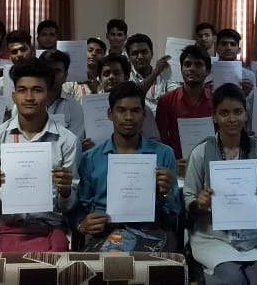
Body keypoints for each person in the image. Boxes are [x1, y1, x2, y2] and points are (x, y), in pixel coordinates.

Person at [0, 58, 80, 248]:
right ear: (14, 96)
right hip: (6, 227)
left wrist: (65, 191)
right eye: (22, 90)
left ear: (49, 95)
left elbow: (69, 207)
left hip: (51, 228)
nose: (29, 97)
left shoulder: (67, 141)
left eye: (37, 90)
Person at [75, 82, 181, 252]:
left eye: (135, 111)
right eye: (121, 110)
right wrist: (83, 223)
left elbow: (173, 214)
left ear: (144, 114)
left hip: (152, 229)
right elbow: (80, 208)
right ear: (110, 114)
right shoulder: (90, 158)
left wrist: (166, 193)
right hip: (104, 231)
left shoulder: (163, 154)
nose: (129, 117)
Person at [184, 84, 257, 285]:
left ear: (246, 115)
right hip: (213, 235)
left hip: (253, 235)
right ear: (214, 117)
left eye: (237, 112)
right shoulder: (201, 152)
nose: (232, 119)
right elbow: (188, 198)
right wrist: (200, 203)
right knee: (231, 277)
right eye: (224, 113)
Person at [156, 45, 215, 174]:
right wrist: (172, 162)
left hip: (210, 167)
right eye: (187, 64)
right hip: (179, 168)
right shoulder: (166, 101)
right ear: (181, 69)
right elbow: (161, 139)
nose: (192, 69)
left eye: (198, 65)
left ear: (208, 70)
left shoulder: (216, 100)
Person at [36, 49, 87, 142]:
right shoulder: (26, 104)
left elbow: (73, 144)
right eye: (48, 70)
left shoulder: (74, 107)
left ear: (65, 75)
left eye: (57, 71)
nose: (52, 75)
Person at [126, 33, 179, 114]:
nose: (140, 56)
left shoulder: (165, 75)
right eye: (135, 53)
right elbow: (135, 96)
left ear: (152, 54)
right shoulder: (126, 78)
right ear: (129, 58)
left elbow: (176, 97)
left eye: (144, 52)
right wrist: (155, 73)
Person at [63, 37, 107, 102]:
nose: (94, 54)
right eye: (90, 50)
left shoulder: (105, 80)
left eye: (98, 52)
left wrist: (94, 91)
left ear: (104, 56)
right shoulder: (71, 80)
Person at [213, 29, 256, 95]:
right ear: (216, 48)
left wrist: (245, 94)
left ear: (239, 50)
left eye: (232, 44)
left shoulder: (249, 76)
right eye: (224, 44)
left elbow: (252, 100)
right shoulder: (208, 73)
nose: (228, 48)